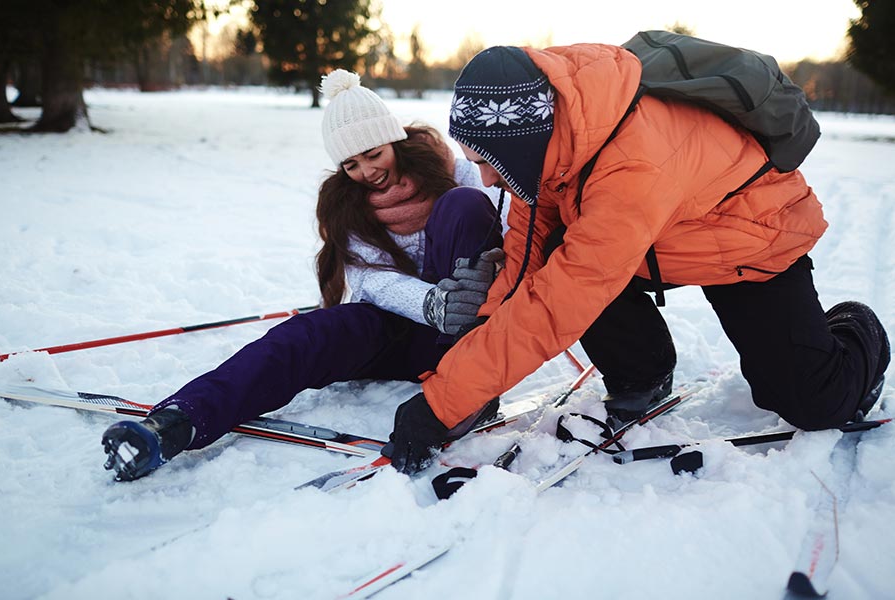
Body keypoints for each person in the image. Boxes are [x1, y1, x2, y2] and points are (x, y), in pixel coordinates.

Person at [382, 43, 891, 474]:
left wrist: (440, 404)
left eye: (490, 162)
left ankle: (854, 330)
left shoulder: (632, 162)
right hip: (657, 241)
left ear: (522, 140)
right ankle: (642, 372)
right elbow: (524, 260)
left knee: (814, 403)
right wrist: (474, 365)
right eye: (476, 162)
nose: (487, 179)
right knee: (562, 248)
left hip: (749, 241)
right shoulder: (551, 146)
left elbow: (562, 299)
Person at [101, 70, 506, 482]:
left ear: (393, 139)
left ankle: (471, 388)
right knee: (303, 336)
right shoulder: (345, 203)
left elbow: (515, 227)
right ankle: (176, 423)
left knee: (464, 204)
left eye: (373, 154)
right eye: (351, 164)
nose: (367, 171)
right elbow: (370, 279)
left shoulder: (457, 172)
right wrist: (431, 304)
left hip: (469, 340)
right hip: (400, 326)